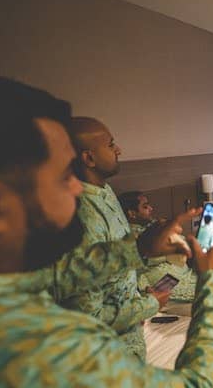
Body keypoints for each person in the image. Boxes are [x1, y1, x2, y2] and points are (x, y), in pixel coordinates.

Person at [0, 73, 213, 386]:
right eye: (64, 177)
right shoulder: (47, 348)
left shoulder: (4, 283)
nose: (78, 189)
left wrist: (140, 249)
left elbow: (57, 276)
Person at [48, 116, 164, 360]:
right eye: (111, 145)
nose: (118, 150)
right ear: (89, 158)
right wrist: (149, 305)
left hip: (129, 338)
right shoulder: (80, 221)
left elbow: (116, 266)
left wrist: (139, 291)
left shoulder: (105, 191)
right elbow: (89, 317)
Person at [119, 191, 198, 302]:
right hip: (164, 282)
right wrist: (145, 288)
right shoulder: (130, 238)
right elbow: (136, 268)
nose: (151, 208)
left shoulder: (155, 226)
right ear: (132, 213)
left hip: (184, 274)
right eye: (145, 207)